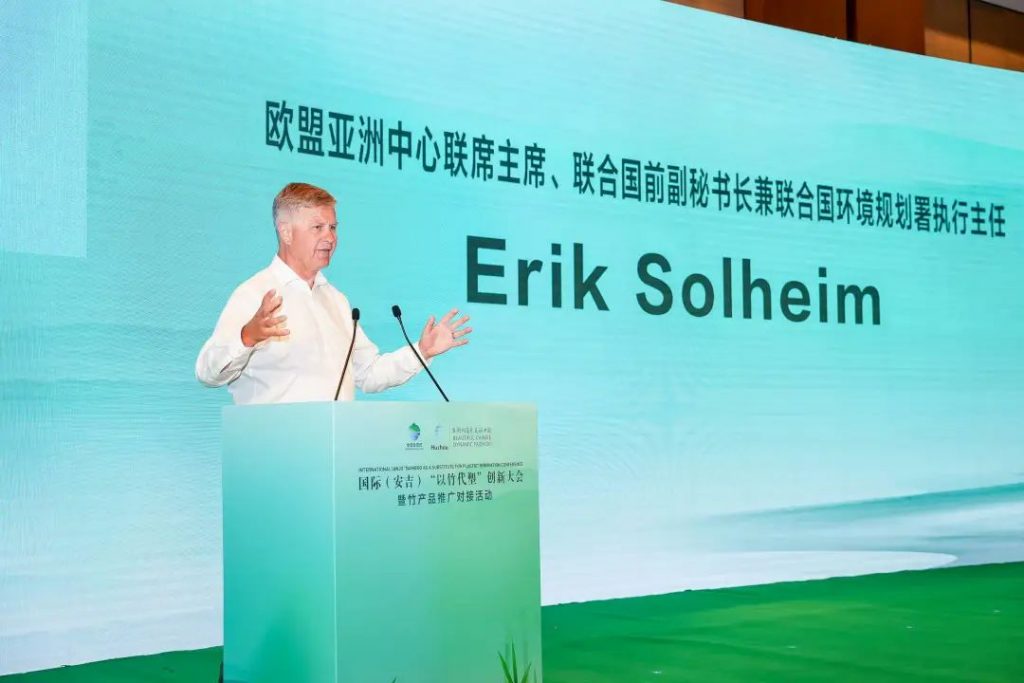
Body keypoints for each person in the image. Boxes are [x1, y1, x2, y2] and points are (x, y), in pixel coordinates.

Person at [195, 182, 470, 404]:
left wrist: (422, 351)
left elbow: (368, 373)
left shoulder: (337, 301)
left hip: (335, 450)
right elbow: (207, 372)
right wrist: (246, 336)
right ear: (286, 233)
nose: (330, 237)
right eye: (318, 228)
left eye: (333, 227)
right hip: (271, 451)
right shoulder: (254, 293)